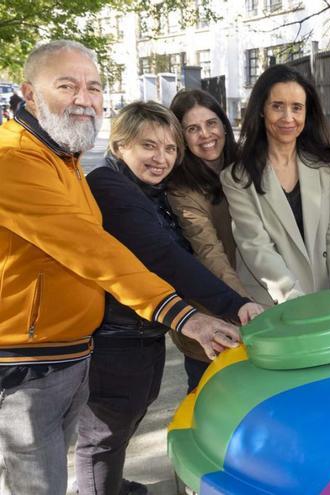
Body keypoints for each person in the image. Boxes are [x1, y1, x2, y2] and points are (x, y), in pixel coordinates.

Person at [0, 40, 238, 495]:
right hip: (27, 365)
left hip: (70, 353)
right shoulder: (15, 159)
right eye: (66, 85)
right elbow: (94, 250)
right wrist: (187, 316)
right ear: (30, 94)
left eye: (93, 87)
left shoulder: (62, 157)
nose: (84, 98)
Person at [75, 102, 262, 495]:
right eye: (149, 147)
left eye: (170, 148)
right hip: (114, 336)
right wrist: (234, 304)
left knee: (127, 420)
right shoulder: (110, 188)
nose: (162, 158)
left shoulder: (149, 190)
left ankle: (112, 484)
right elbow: (165, 256)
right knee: (104, 434)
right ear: (121, 144)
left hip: (142, 329)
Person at [221, 65, 330, 305]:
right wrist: (294, 298)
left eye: (297, 108)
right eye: (277, 106)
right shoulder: (238, 178)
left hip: (326, 297)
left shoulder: (326, 169)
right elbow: (256, 248)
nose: (288, 118)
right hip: (273, 303)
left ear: (306, 113)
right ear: (262, 109)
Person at [167, 89, 250, 390]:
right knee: (210, 399)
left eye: (211, 123)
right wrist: (243, 304)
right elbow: (208, 251)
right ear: (181, 137)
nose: (206, 135)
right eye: (192, 128)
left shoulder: (243, 167)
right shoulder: (181, 188)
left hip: (252, 304)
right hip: (214, 315)